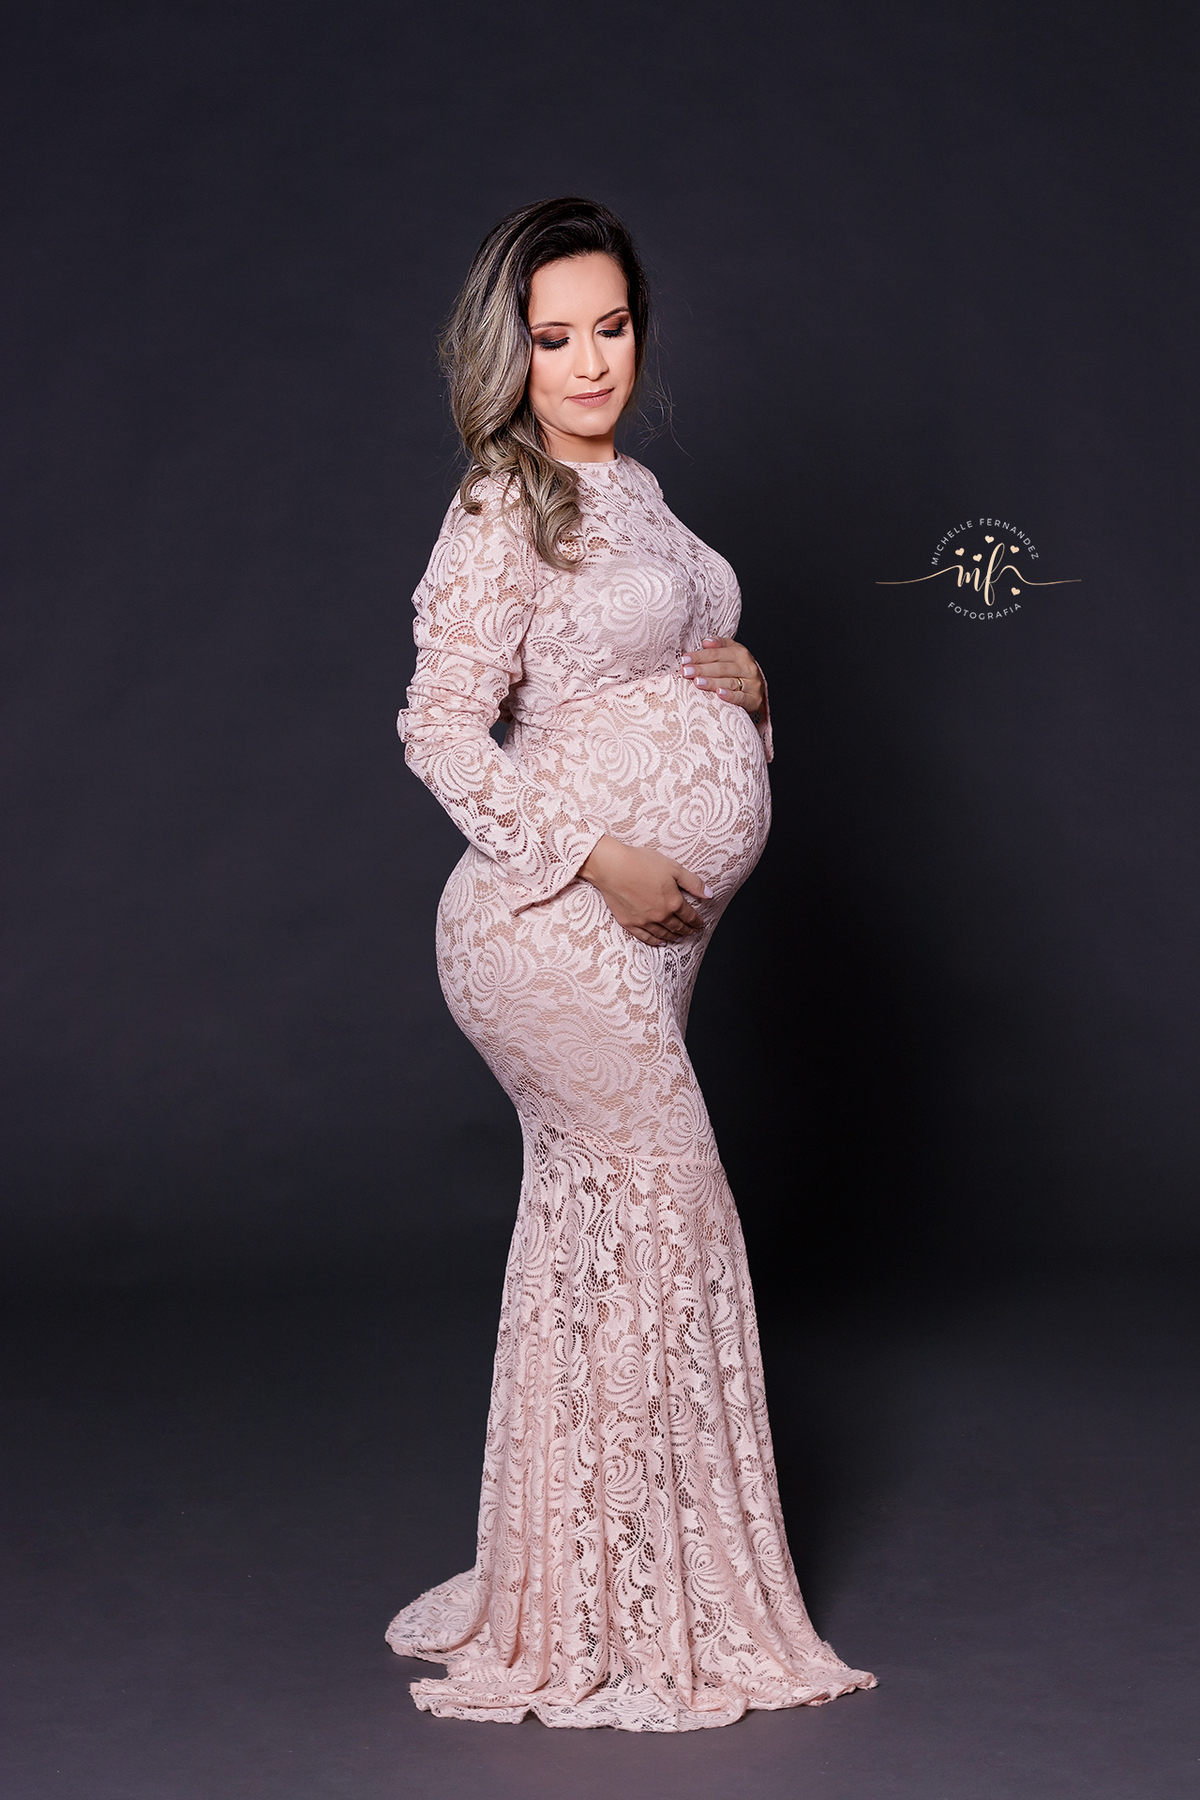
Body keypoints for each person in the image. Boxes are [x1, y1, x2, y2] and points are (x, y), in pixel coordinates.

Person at [386, 197, 875, 1731]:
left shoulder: (644, 494)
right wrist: (601, 855)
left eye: (610, 328)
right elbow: (438, 728)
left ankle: (576, 1581)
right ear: (512, 354)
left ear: (639, 332)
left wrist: (754, 692)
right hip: (546, 929)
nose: (590, 363)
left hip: (644, 952)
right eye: (555, 338)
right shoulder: (501, 506)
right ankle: (639, 1610)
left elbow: (662, 677)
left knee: (599, 1244)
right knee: (673, 1219)